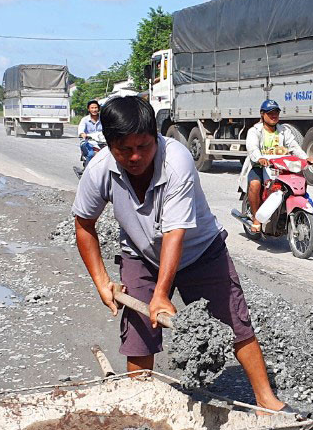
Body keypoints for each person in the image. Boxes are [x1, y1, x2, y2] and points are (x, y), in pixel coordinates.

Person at [72, 96, 295, 413]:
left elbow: (174, 232)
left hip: (200, 250)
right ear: (109, 144)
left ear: (156, 137)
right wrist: (101, 281)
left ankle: (265, 399)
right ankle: (141, 408)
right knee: (138, 332)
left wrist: (162, 294)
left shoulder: (176, 159)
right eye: (125, 150)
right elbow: (84, 225)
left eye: (144, 147)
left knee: (235, 321)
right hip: (140, 254)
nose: (136, 157)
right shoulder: (98, 171)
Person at [238, 100, 313, 233]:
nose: (274, 116)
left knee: (294, 184)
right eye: (270, 113)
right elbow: (252, 148)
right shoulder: (254, 131)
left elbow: (294, 146)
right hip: (260, 167)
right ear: (262, 114)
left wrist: (305, 158)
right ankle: (256, 219)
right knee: (255, 184)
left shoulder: (284, 131)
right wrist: (259, 158)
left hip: (281, 167)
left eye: (276, 113)